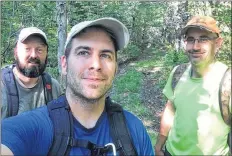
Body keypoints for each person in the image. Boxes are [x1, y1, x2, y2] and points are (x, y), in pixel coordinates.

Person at [1, 17, 154, 155]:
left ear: (115, 67)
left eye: (105, 55)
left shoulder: (134, 130)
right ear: (64, 64)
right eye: (83, 53)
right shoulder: (32, 128)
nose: (96, 65)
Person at [155, 15, 231, 155]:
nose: (195, 47)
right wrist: (159, 145)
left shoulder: (228, 80)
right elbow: (171, 108)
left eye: (203, 39)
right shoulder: (178, 72)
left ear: (218, 43)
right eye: (191, 39)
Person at [1, 27, 62, 119]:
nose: (33, 55)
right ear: (15, 53)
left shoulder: (53, 88)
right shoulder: (2, 87)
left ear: (46, 54)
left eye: (39, 50)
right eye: (27, 49)